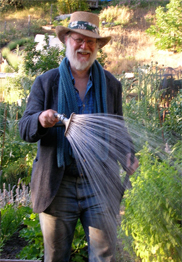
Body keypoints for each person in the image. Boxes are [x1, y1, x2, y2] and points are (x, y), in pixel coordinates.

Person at [19, 11, 138, 262]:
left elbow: (119, 130)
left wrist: (128, 154)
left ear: (97, 46)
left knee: (104, 256)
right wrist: (41, 119)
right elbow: (24, 128)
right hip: (58, 184)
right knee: (56, 256)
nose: (84, 46)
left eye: (90, 41)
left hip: (99, 183)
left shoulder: (111, 85)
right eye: (78, 39)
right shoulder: (46, 82)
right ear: (66, 41)